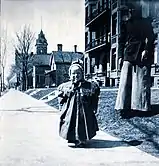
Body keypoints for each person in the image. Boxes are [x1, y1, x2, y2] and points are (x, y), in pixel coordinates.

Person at [115, 4, 155, 118]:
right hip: (129, 53)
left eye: (134, 9)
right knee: (125, 82)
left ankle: (141, 108)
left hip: (143, 55)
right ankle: (123, 107)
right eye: (130, 10)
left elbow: (151, 38)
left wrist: (146, 50)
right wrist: (119, 56)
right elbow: (121, 41)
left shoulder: (146, 23)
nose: (132, 12)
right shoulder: (126, 24)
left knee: (141, 82)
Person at [57, 60, 100, 147]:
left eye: (78, 73)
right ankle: (71, 137)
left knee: (83, 122)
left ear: (82, 74)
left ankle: (82, 139)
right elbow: (61, 98)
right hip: (70, 110)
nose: (76, 76)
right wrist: (63, 103)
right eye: (73, 73)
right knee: (70, 122)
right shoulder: (66, 86)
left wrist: (93, 107)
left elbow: (94, 97)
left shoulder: (88, 85)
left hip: (84, 110)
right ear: (70, 74)